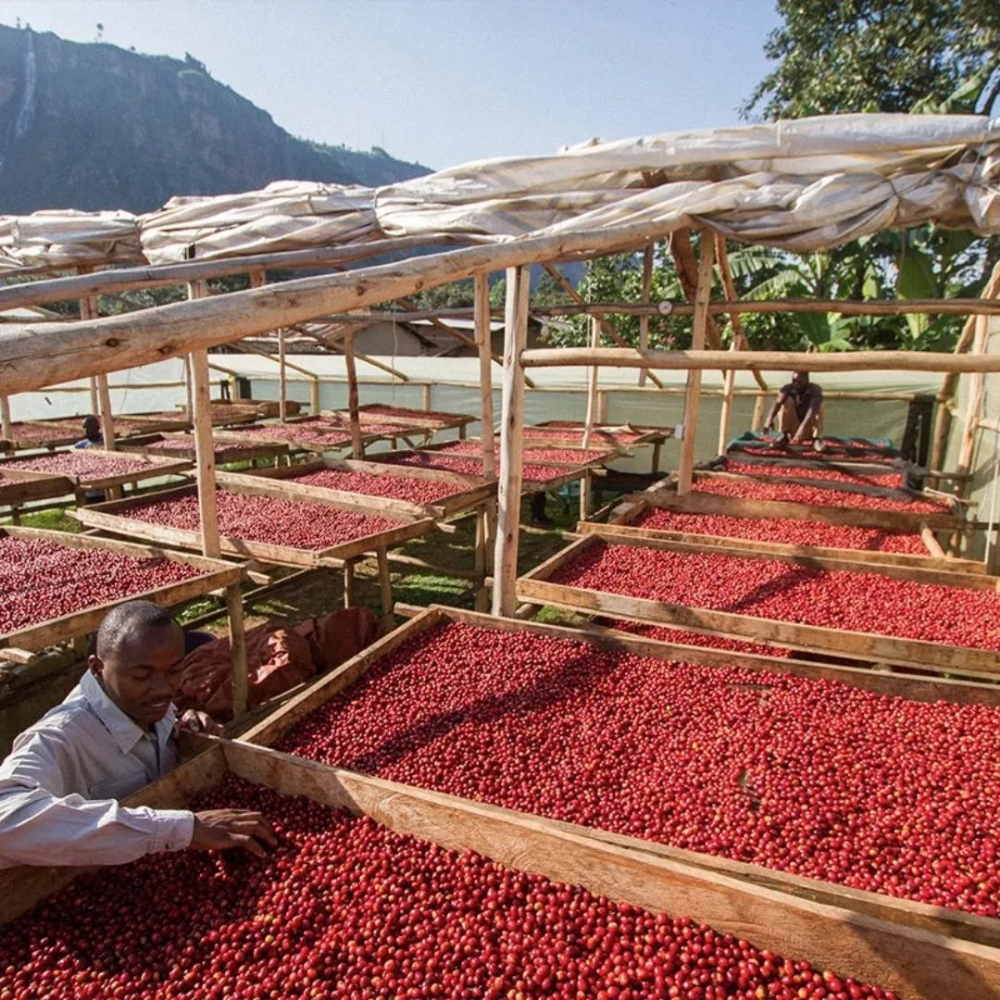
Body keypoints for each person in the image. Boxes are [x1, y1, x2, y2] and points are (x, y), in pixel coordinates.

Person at [0, 601, 276, 868]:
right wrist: (183, 829)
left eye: (174, 671)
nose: (162, 689)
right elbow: (4, 819)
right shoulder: (60, 737)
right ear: (97, 669)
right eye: (142, 676)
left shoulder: (146, 705)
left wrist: (183, 725)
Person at [764, 371, 824, 444]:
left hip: (807, 428)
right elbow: (777, 403)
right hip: (793, 428)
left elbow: (811, 410)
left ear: (807, 381)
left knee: (820, 406)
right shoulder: (788, 388)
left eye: (799, 382)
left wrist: (802, 429)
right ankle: (784, 435)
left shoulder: (815, 389)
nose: (796, 384)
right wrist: (769, 419)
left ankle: (817, 438)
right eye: (794, 381)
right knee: (787, 401)